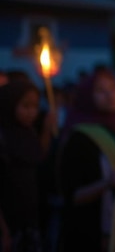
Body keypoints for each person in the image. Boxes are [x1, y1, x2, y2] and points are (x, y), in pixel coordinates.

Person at [56, 67, 115, 252]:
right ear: (87, 96)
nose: (110, 95)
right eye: (100, 90)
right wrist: (107, 183)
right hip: (89, 234)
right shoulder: (80, 138)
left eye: (114, 88)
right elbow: (72, 195)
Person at [0, 78, 57, 252]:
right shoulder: (3, 137)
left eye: (35, 106)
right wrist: (3, 230)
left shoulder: (29, 132)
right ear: (10, 104)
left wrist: (47, 128)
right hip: (9, 220)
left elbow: (38, 156)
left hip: (31, 217)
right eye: (25, 106)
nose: (32, 112)